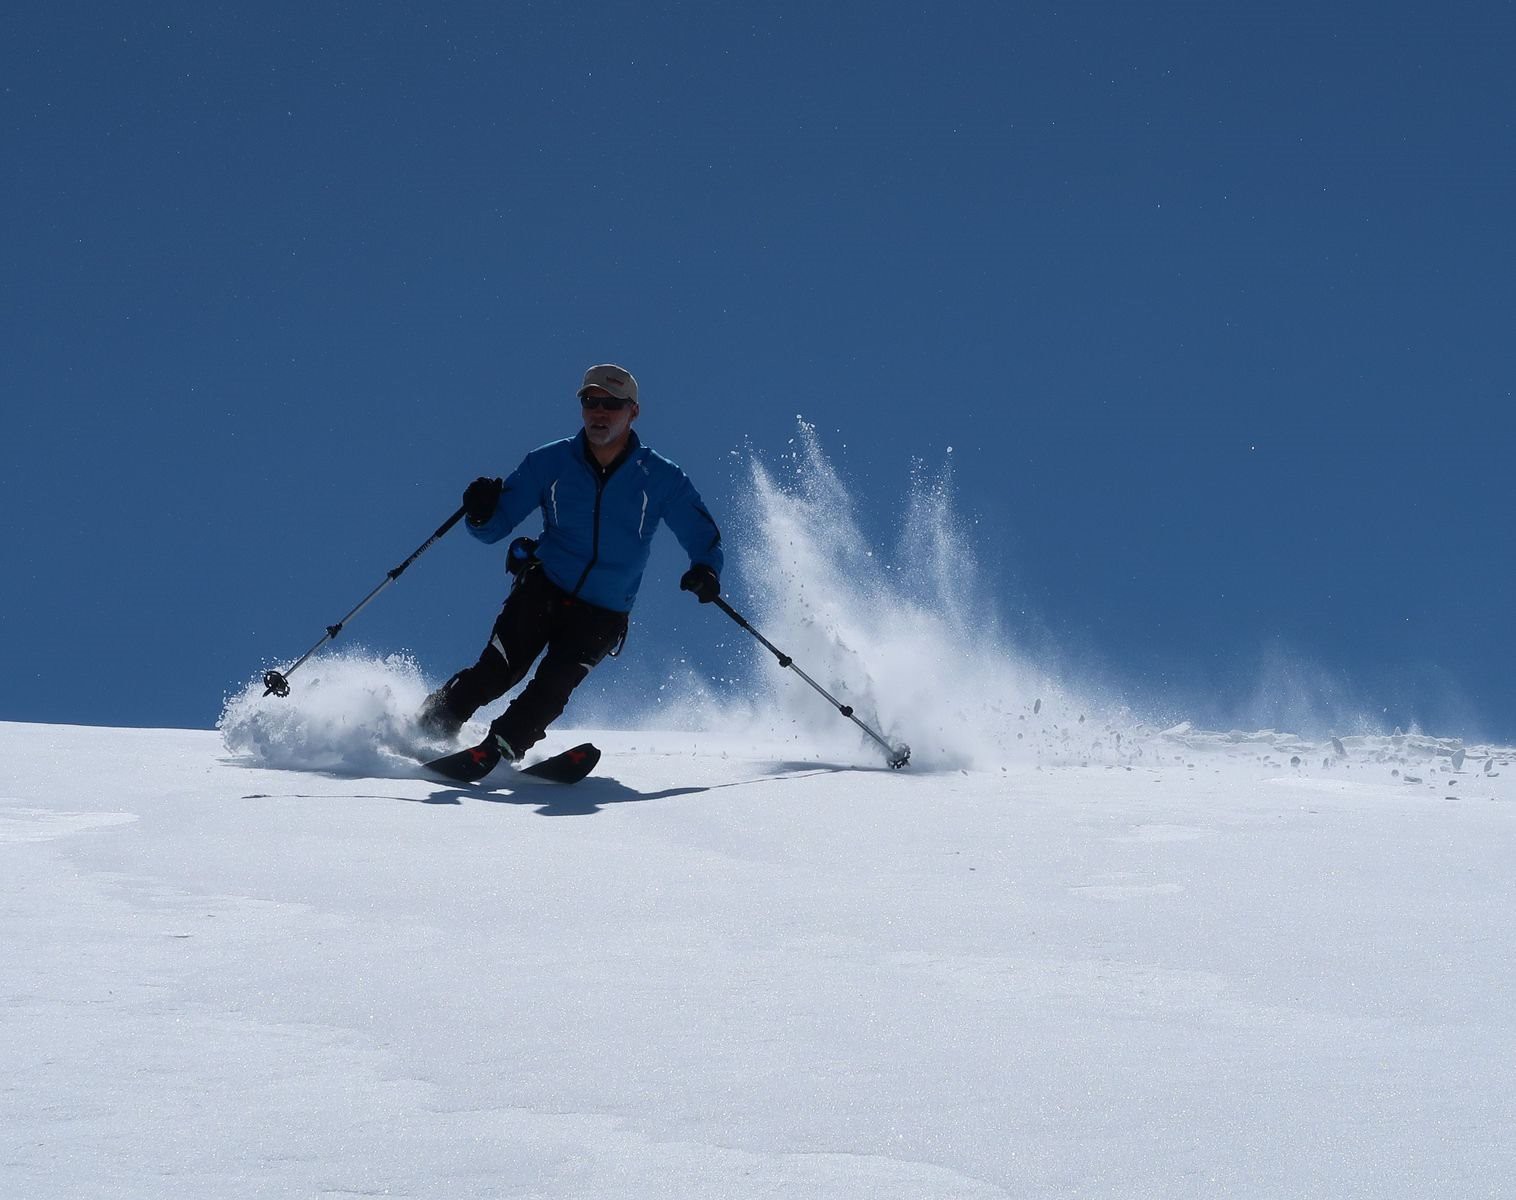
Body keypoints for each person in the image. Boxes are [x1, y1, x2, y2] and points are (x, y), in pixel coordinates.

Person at [417, 363, 723, 762]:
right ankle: (428, 725)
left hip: (604, 609)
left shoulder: (661, 477)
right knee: (497, 671)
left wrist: (706, 568)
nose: (600, 412)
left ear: (633, 411)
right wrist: (479, 512)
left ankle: (500, 748)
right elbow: (494, 527)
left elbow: (702, 534)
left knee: (553, 686)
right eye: (591, 402)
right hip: (544, 586)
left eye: (612, 404)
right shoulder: (550, 462)